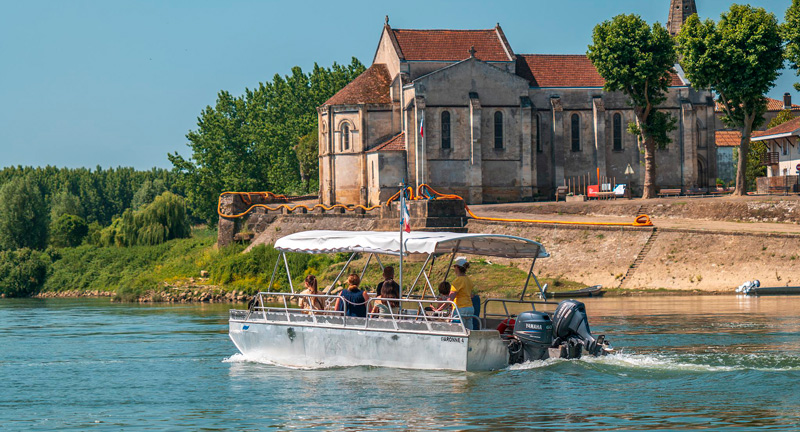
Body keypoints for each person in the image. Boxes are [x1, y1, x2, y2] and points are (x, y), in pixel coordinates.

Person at [448, 257, 475, 330]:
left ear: (457, 267)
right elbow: (471, 295)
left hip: (460, 309)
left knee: (457, 331)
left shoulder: (457, 281)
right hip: (470, 309)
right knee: (468, 331)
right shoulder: (468, 280)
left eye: (454, 267)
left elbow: (451, 298)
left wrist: (440, 308)